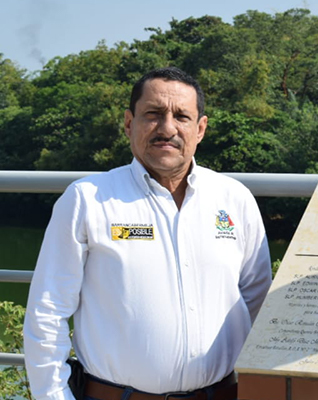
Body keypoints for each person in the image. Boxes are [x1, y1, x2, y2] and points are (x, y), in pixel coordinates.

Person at [24, 67, 273, 400]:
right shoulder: (88, 199)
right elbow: (48, 311)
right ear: (129, 123)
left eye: (182, 116)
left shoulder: (234, 199)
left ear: (200, 129)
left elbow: (257, 300)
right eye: (153, 115)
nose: (167, 128)